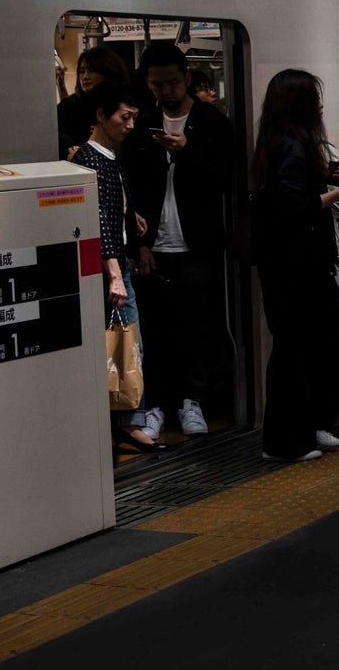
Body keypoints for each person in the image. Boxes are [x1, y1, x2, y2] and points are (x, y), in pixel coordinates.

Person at [123, 43, 238, 441]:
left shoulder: (212, 122)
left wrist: (187, 153)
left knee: (197, 326)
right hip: (152, 243)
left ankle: (193, 400)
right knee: (155, 330)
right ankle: (155, 404)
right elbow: (132, 185)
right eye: (157, 84)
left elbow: (223, 180)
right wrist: (137, 244)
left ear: (187, 78)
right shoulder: (143, 123)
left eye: (172, 82)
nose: (165, 91)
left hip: (197, 243)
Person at [250, 69, 339, 463]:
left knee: (323, 339)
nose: (320, 106)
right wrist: (338, 193)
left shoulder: (282, 144)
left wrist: (324, 178)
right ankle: (287, 441)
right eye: (313, 99)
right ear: (297, 105)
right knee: (300, 348)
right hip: (293, 267)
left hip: (295, 266)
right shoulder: (290, 147)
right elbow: (288, 208)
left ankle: (311, 423)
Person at [70, 86, 161, 454]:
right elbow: (100, 222)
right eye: (124, 116)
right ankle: (128, 422)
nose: (130, 124)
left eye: (134, 117)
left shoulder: (103, 156)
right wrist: (115, 274)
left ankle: (123, 421)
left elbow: (112, 211)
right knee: (127, 344)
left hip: (113, 261)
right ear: (101, 116)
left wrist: (131, 215)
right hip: (110, 265)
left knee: (121, 345)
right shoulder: (93, 160)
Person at [57, 46, 132, 154]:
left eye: (92, 71)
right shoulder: (70, 105)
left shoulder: (123, 104)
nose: (85, 76)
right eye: (82, 71)